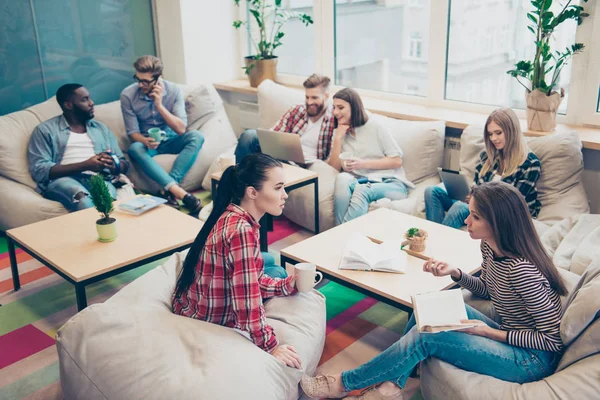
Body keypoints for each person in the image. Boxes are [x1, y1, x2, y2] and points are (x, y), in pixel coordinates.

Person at [301, 181, 567, 400]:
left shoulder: (522, 271)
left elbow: (551, 341)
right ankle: (390, 388)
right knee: (428, 305)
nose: (467, 221)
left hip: (530, 360)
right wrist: (456, 273)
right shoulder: (489, 246)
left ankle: (343, 383)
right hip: (507, 334)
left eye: (475, 216)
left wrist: (488, 332)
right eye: (470, 212)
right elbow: (489, 290)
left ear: (498, 222)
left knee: (425, 337)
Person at [172, 153, 302, 369]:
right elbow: (247, 304)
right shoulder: (242, 231)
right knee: (276, 270)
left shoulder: (232, 213)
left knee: (271, 265)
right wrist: (270, 346)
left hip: (191, 302)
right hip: (208, 319)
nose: (285, 195)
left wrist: (288, 285)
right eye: (278, 188)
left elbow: (251, 279)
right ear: (252, 192)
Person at [425, 108, 541, 229]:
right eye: (490, 134)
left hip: (505, 213)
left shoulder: (530, 163)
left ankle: (435, 240)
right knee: (432, 192)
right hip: (480, 205)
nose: (493, 138)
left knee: (460, 207)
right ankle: (434, 235)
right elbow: (477, 186)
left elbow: (512, 203)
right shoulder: (487, 157)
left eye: (498, 132)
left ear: (512, 131)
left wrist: (478, 201)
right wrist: (472, 194)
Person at [120, 55, 204, 214]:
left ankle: (169, 189)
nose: (140, 84)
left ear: (159, 78)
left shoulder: (173, 91)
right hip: (148, 144)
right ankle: (178, 192)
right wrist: (146, 141)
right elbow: (133, 133)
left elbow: (181, 129)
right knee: (135, 148)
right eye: (137, 79)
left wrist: (159, 105)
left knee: (197, 137)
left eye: (145, 81)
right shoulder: (128, 95)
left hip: (172, 139)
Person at [28, 83, 129, 212]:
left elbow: (124, 164)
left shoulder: (101, 129)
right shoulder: (45, 130)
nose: (91, 103)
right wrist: (85, 165)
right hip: (63, 180)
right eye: (84, 99)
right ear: (68, 105)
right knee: (83, 198)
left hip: (99, 177)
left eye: (89, 98)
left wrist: (114, 164)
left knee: (106, 202)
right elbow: (39, 170)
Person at [327, 88, 413, 225]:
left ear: (354, 108)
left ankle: (340, 235)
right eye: (334, 108)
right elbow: (333, 168)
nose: (336, 112)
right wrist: (338, 139)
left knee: (362, 191)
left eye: (341, 107)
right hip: (361, 180)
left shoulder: (375, 126)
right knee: (341, 178)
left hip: (390, 183)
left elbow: (396, 161)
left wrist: (362, 163)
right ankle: (340, 234)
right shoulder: (341, 131)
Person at [234, 73, 335, 164]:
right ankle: (237, 177)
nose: (309, 102)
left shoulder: (333, 120)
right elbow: (272, 135)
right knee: (249, 136)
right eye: (307, 97)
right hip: (283, 158)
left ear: (326, 96)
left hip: (309, 164)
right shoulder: (297, 110)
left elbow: (330, 158)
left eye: (314, 98)